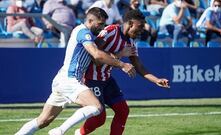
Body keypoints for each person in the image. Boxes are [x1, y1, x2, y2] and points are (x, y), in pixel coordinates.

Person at [15, 7, 136, 135]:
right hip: (69, 80)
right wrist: (122, 64)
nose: (102, 27)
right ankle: (59, 131)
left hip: (62, 80)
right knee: (96, 107)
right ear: (90, 20)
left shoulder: (84, 32)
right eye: (100, 24)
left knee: (43, 120)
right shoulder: (84, 32)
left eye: (104, 24)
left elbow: (97, 57)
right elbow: (96, 54)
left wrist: (117, 54)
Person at [74, 10, 170, 135]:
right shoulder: (110, 31)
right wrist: (119, 55)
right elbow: (95, 55)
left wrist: (156, 80)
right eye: (140, 26)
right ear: (131, 23)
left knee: (123, 111)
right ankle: (79, 133)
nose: (142, 30)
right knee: (99, 119)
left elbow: (139, 66)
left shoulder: (131, 43)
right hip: (91, 78)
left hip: (107, 79)